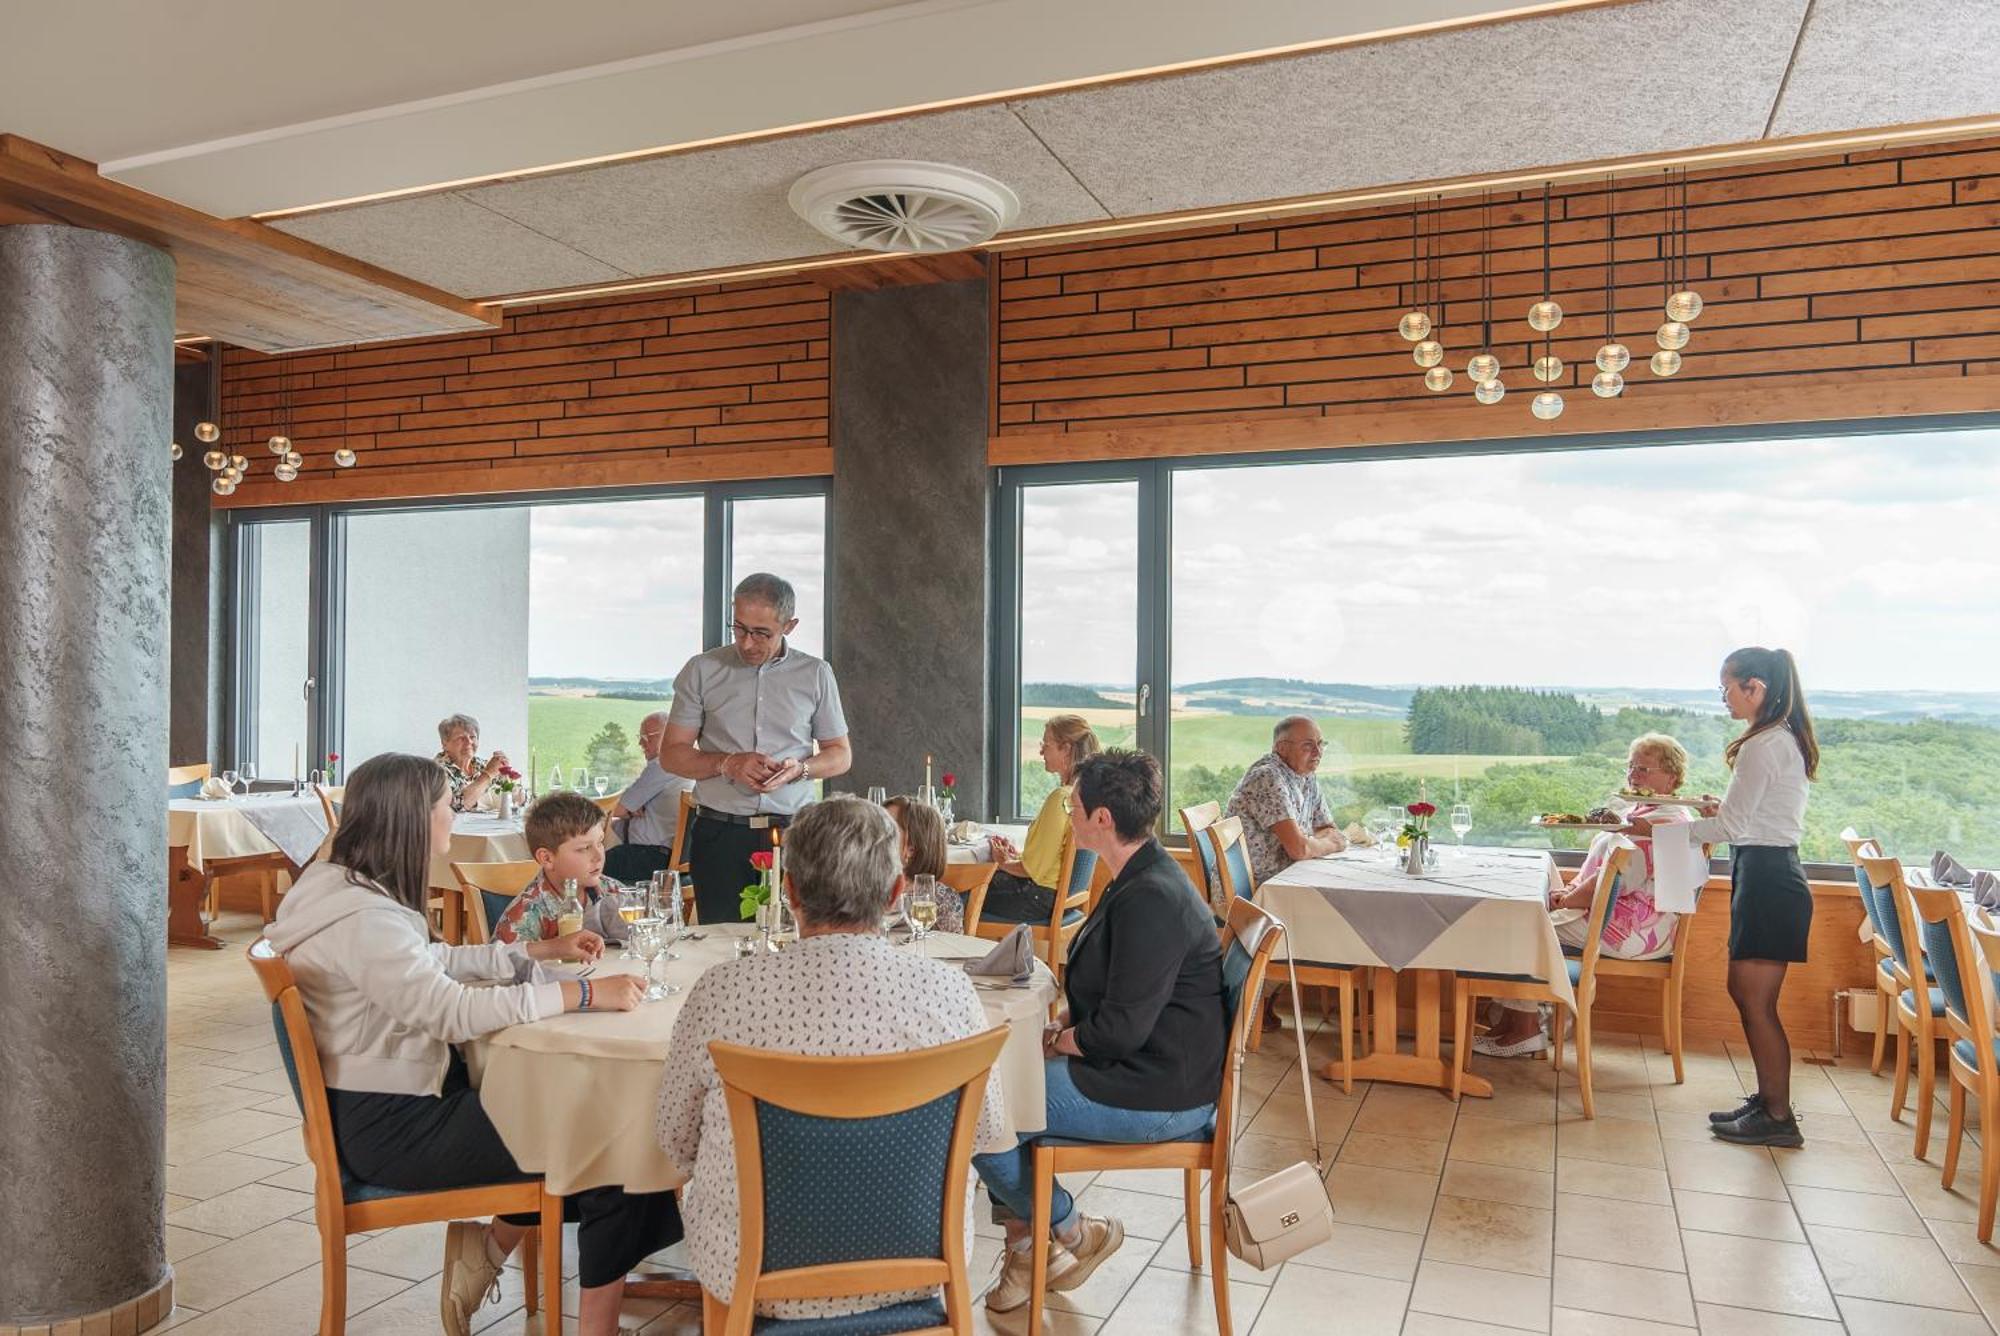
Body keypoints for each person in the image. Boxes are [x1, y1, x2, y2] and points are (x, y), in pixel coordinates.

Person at [266, 754, 680, 1336]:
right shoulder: (362, 917)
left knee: (586, 1114)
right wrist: (582, 997)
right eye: (446, 807)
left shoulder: (341, 887)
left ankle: (496, 1252)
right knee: (608, 1137)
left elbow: (431, 961)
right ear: (412, 820)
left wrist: (530, 955)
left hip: (391, 1102)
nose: (455, 817)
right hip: (395, 1126)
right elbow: (451, 1012)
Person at [655, 795, 1008, 1323]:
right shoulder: (949, 993)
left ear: (789, 889)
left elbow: (675, 1142)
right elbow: (988, 1132)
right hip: (917, 1262)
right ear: (895, 893)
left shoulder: (722, 993)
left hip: (753, 1277)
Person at [974, 750, 1225, 1313]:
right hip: (1144, 1069)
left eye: (1075, 806)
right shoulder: (1137, 875)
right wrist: (1064, 1022)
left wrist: (1061, 1042)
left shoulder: (1153, 897)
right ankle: (1031, 1250)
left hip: (1160, 1093)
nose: (1071, 813)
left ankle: (1067, 1231)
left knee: (981, 1109)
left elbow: (1120, 1030)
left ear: (1103, 819)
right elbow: (1118, 994)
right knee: (1001, 1094)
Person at [1627, 647, 1817, 1148]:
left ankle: (1777, 1116)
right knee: (1747, 996)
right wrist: (1718, 809)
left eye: (1727, 688)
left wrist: (1658, 828)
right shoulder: (1780, 737)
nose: (1724, 697)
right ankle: (1768, 1100)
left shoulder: (1763, 744)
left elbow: (1732, 826)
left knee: (1756, 1002)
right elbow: (1746, 816)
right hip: (1764, 871)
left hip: (1769, 877)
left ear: (1755, 688)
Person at [1477, 733, 1692, 1057]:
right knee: (1528, 916)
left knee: (1521, 927)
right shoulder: (1646, 813)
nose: (1633, 776)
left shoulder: (1658, 823)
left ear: (1671, 778)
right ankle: (1520, 1020)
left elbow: (1617, 880)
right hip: (1634, 920)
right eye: (1630, 767)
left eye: (1644, 770)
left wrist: (1565, 899)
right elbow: (1606, 875)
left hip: (1634, 931)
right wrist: (1570, 891)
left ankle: (1526, 1028)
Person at [658, 573, 851, 925]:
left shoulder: (816, 673)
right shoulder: (702, 670)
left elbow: (840, 754)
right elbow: (671, 754)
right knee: (719, 950)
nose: (747, 643)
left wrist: (801, 769)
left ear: (789, 626)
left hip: (797, 835)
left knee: (795, 948)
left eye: (761, 633)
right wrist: (727, 764)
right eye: (739, 628)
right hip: (719, 835)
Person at [981, 714, 1100, 924]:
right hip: (1055, 900)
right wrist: (1016, 856)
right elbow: (1049, 861)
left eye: (1046, 744)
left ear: (1066, 749)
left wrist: (1003, 862)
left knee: (961, 891)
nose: (1041, 751)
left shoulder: (1062, 798)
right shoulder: (1085, 797)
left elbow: (1032, 871)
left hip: (1036, 900)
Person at [1225, 715, 1348, 890]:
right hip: (1254, 891)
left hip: (1286, 881)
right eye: (1308, 745)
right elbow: (1299, 850)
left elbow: (1326, 828)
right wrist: (1330, 844)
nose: (1317, 752)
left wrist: (1313, 845)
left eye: (1320, 744)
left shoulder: (1306, 775)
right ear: (1282, 748)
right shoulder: (1267, 777)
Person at [492, 790, 627, 945]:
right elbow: (502, 964)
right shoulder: (525, 917)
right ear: (547, 858)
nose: (599, 856)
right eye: (584, 848)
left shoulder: (614, 891)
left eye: (600, 843)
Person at [604, 710, 694, 883]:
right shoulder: (685, 763)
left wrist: (627, 810)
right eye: (640, 736)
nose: (640, 742)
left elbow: (617, 808)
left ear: (668, 735)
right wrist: (629, 809)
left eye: (647, 736)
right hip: (670, 859)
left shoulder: (665, 764)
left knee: (583, 867)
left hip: (651, 859)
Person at [884, 793, 965, 933]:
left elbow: (950, 951)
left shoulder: (941, 900)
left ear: (911, 849)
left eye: (885, 829)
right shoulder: (861, 890)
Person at [434, 713, 511, 813]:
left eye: (472, 737)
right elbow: (456, 806)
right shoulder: (435, 771)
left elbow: (518, 800)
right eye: (461, 738)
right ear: (445, 744)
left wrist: (508, 775)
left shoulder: (481, 765)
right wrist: (488, 775)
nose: (469, 742)